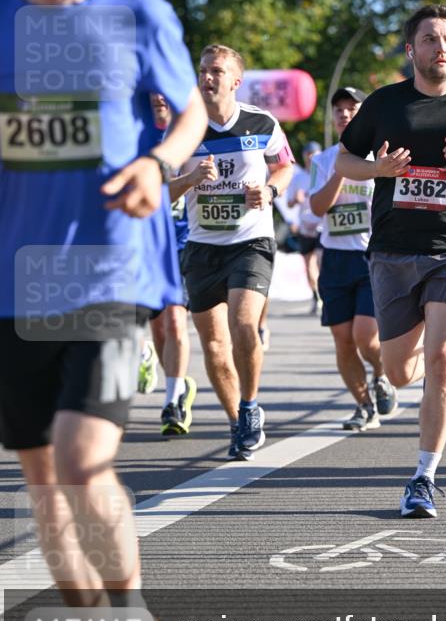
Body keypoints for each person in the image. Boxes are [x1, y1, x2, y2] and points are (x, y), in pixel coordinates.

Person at [0, 0, 207, 621]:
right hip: (11, 279)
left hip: (112, 272)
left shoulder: (139, 13)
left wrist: (158, 164)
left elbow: (189, 112)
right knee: (44, 486)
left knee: (84, 464)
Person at [335, 4, 446, 518]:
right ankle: (397, 380)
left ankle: (423, 476)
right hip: (392, 251)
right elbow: (343, 159)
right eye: (430, 39)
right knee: (399, 372)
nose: (441, 48)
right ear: (411, 49)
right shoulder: (386, 103)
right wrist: (377, 168)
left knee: (443, 361)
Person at [169, 44, 295, 461]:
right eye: (202, 70)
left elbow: (285, 165)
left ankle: (251, 405)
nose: (207, 77)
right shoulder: (183, 132)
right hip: (202, 247)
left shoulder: (262, 122)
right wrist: (189, 180)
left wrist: (271, 189)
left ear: (235, 81)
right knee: (216, 349)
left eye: (216, 71)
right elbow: (160, 191)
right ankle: (235, 421)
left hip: (251, 241)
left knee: (243, 324)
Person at [309, 87, 398, 430]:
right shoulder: (324, 159)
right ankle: (364, 406)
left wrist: (371, 168)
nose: (345, 115)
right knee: (343, 340)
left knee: (365, 335)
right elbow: (318, 208)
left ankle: (382, 373)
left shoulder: (382, 156)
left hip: (371, 256)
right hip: (335, 258)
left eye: (352, 109)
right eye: (339, 110)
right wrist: (343, 170)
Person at [144, 93, 197, 436]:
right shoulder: (134, 133)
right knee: (160, 328)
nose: (160, 96)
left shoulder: (193, 132)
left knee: (176, 321)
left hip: (184, 240)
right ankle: (177, 383)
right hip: (144, 242)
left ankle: (173, 400)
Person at [286, 141, 323, 315]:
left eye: (314, 155)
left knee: (322, 262)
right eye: (307, 155)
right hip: (305, 226)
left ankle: (325, 293)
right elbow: (289, 203)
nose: (310, 159)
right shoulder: (298, 178)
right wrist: (296, 199)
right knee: (309, 265)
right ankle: (316, 297)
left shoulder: (325, 173)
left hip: (323, 225)